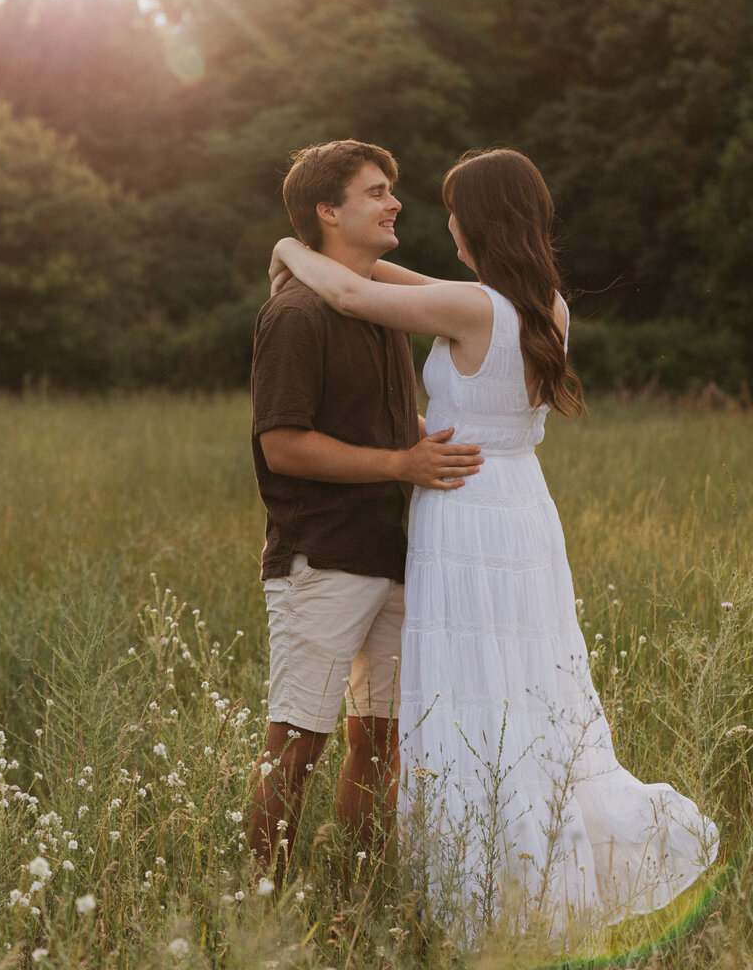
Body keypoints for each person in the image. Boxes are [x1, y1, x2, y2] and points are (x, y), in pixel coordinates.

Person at [268, 147, 719, 940]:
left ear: (476, 223)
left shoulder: (474, 310)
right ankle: (534, 860)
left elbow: (348, 289)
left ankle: (489, 890)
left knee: (471, 696)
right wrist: (326, 255)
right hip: (521, 511)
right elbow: (392, 284)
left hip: (466, 511)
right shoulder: (541, 304)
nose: (437, 221)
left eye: (449, 210)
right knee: (520, 691)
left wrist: (286, 248)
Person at [248, 139, 483, 868]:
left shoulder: (378, 306)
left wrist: (421, 444)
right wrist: (400, 463)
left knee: (379, 740)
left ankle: (359, 889)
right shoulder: (295, 315)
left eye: (391, 190)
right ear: (328, 211)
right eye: (375, 192)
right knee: (297, 745)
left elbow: (380, 415)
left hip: (392, 553)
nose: (393, 203)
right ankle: (262, 903)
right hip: (321, 556)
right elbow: (282, 445)